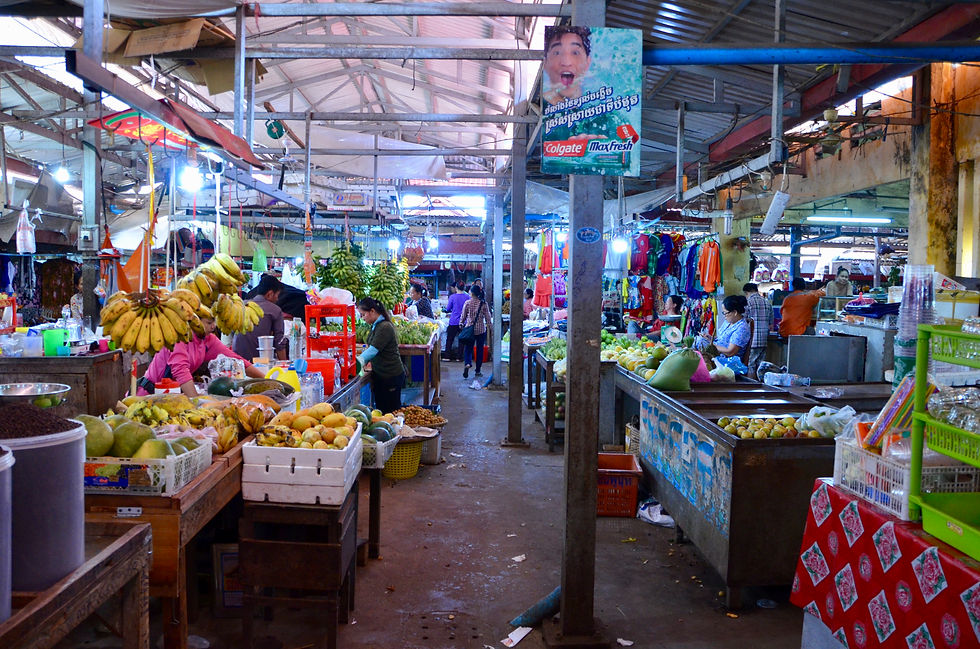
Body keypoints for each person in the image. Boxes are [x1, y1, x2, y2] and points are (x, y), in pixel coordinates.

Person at [138, 316, 265, 397]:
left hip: (172, 396)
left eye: (214, 321)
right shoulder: (179, 337)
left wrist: (265, 379)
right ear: (195, 321)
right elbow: (180, 370)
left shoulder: (208, 340)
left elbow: (236, 360)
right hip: (149, 395)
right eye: (209, 322)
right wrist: (196, 401)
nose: (213, 326)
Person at [356, 297, 405, 414]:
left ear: (372, 311)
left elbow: (373, 350)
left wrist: (358, 362)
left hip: (390, 376)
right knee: (381, 412)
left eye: (363, 315)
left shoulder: (384, 327)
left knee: (390, 413)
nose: (362, 318)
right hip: (382, 375)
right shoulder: (376, 325)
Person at [233, 274, 288, 362]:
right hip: (260, 362)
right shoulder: (275, 310)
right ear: (270, 294)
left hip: (237, 361)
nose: (277, 299)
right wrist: (285, 366)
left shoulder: (241, 305)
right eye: (277, 295)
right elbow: (279, 343)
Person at [460, 285, 493, 379]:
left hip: (469, 329)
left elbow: (463, 316)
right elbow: (488, 317)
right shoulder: (483, 304)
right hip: (480, 330)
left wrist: (461, 324)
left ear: (472, 292)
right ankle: (478, 370)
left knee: (468, 349)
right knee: (479, 350)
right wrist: (491, 328)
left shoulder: (467, 303)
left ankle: (467, 363)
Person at [743, 283, 773, 378]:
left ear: (747, 292)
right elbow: (771, 323)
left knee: (751, 365)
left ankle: (751, 388)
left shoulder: (748, 303)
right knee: (761, 366)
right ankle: (761, 387)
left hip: (752, 340)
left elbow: (744, 321)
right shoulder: (767, 302)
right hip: (764, 340)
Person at [445, 282, 468, 361]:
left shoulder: (452, 297)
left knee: (449, 339)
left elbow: (448, 309)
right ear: (464, 288)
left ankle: (447, 356)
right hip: (464, 322)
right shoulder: (468, 297)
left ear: (456, 288)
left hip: (454, 321)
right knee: (461, 340)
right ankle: (459, 357)